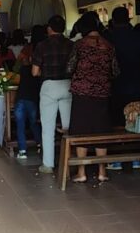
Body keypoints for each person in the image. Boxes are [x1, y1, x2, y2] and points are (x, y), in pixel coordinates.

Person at [67, 11, 120, 184]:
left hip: (82, 94)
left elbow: (69, 68)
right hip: (102, 93)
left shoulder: (79, 45)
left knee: (81, 130)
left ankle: (82, 172)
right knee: (101, 130)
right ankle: (102, 171)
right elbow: (115, 71)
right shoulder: (109, 45)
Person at [104, 6, 140, 171]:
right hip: (137, 83)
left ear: (113, 21)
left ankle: (117, 159)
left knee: (117, 122)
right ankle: (136, 157)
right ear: (128, 18)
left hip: (115, 85)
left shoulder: (108, 37)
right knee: (136, 120)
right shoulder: (138, 35)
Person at [32, 15, 74, 174]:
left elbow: (34, 72)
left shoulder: (42, 46)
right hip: (68, 85)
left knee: (48, 127)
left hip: (49, 86)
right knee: (68, 126)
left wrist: (44, 71)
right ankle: (70, 160)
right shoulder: (71, 45)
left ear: (49, 29)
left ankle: (48, 164)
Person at [13, 25, 47, 159]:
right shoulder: (44, 48)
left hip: (21, 97)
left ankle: (22, 150)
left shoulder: (24, 63)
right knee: (34, 122)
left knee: (20, 124)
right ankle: (40, 143)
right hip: (34, 97)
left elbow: (15, 68)